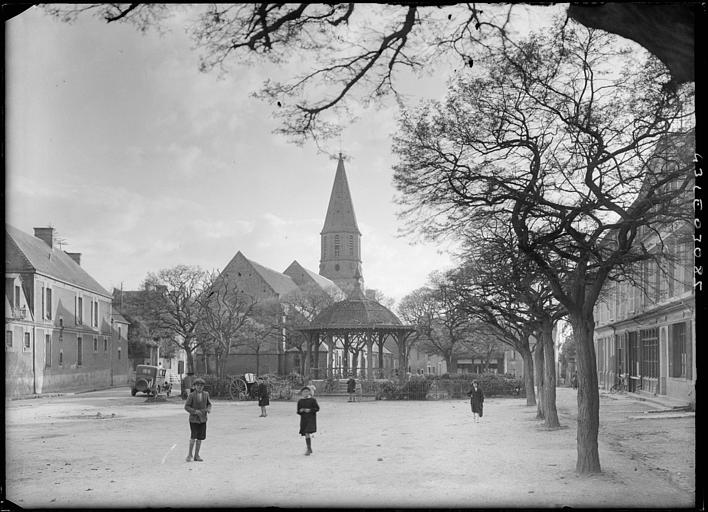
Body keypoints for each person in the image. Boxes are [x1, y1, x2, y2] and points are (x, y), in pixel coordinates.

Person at [184, 378, 212, 462]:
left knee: (200, 438)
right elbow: (186, 407)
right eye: (198, 385)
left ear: (203, 387)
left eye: (201, 385)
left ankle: (197, 455)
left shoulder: (206, 394)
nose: (199, 387)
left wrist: (209, 409)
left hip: (203, 419)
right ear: (195, 386)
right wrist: (195, 411)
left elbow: (209, 404)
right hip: (194, 420)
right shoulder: (191, 395)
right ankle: (189, 455)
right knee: (193, 437)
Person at [297, 386, 320, 456]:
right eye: (304, 392)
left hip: (311, 419)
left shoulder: (313, 400)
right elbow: (298, 411)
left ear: (309, 392)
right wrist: (301, 411)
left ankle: (309, 448)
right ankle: (309, 448)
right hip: (304, 420)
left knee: (307, 432)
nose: (305, 393)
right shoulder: (300, 401)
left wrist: (310, 410)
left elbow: (317, 408)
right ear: (301, 393)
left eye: (307, 391)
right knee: (306, 433)